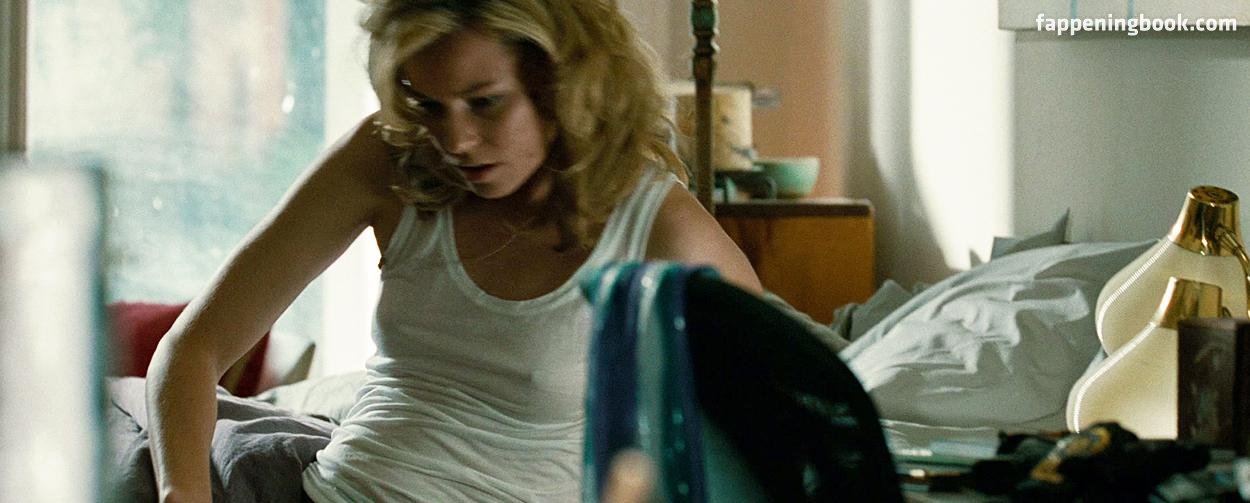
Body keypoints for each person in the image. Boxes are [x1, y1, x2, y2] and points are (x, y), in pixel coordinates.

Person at [145, 0, 761, 501]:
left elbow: (775, 425)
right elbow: (193, 346)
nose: (456, 140)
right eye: (429, 105)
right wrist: (183, 495)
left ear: (565, 81)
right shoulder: (392, 157)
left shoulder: (659, 228)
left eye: (485, 102)